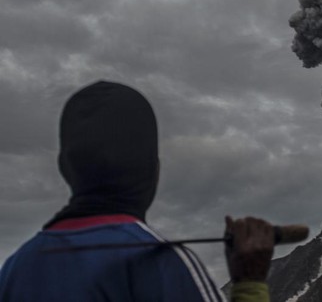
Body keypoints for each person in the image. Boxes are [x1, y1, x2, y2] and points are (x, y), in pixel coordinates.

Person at [0, 81, 274, 301]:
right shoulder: (158, 263)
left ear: (64, 167)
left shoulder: (14, 270)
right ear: (153, 170)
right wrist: (249, 283)